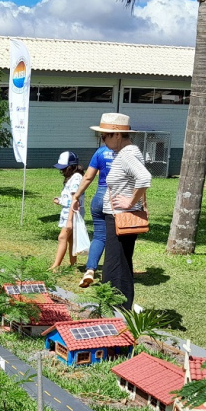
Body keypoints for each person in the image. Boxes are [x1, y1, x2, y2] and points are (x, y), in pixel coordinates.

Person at [91, 112, 151, 311]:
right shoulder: (125, 153)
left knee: (115, 267)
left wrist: (129, 202)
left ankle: (116, 309)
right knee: (118, 264)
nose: (102, 140)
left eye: (104, 135)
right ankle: (116, 308)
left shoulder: (127, 154)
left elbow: (144, 178)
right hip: (118, 217)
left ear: (117, 135)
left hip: (121, 217)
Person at [71, 142, 115, 288]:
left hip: (99, 197)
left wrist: (76, 197)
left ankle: (90, 270)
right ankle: (113, 274)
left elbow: (88, 177)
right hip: (116, 199)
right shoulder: (126, 152)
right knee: (117, 238)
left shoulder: (100, 152)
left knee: (99, 236)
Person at [50, 151, 89, 271]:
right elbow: (69, 198)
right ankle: (73, 265)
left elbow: (75, 200)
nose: (62, 171)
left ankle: (55, 266)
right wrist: (61, 200)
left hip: (72, 213)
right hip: (69, 211)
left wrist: (70, 220)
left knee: (62, 237)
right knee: (71, 239)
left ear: (71, 166)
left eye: (64, 168)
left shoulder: (76, 178)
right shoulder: (73, 177)